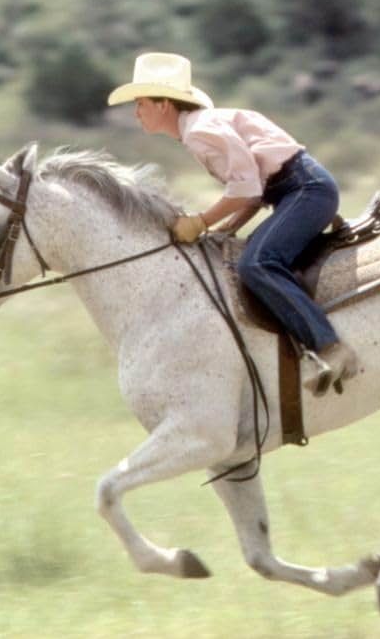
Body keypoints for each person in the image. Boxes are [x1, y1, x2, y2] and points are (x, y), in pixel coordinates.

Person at [107, 52, 358, 396]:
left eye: (141, 104)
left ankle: (330, 347)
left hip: (305, 190)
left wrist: (200, 222)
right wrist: (225, 228)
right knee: (251, 256)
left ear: (163, 104)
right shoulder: (201, 127)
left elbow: (246, 188)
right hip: (297, 190)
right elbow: (253, 193)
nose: (136, 113)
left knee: (257, 263)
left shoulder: (200, 131)